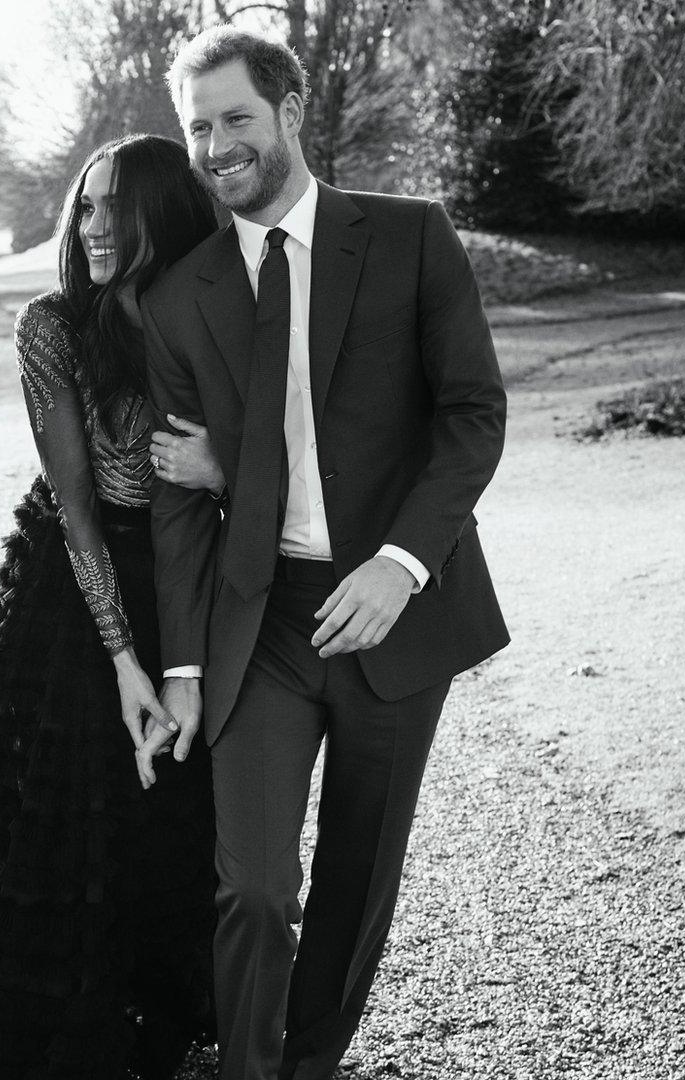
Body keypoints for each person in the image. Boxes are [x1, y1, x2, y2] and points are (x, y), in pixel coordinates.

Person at [136, 26, 511, 1080]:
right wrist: (181, 666)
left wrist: (400, 564)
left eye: (236, 119)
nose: (216, 146)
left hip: (395, 610)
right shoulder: (181, 299)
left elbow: (472, 416)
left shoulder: (407, 236)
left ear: (288, 109)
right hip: (261, 620)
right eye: (198, 126)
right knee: (254, 882)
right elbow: (173, 497)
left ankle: (308, 1066)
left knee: (356, 881)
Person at [0, 133, 224, 1080]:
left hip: (186, 579)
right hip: (73, 593)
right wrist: (126, 660)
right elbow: (80, 512)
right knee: (66, 819)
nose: (91, 227)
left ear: (160, 216)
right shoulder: (50, 327)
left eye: (112, 208)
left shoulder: (212, 316)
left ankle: (166, 1025)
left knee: (177, 807)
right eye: (83, 206)